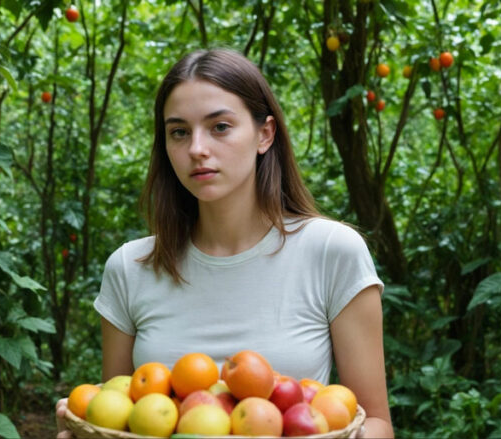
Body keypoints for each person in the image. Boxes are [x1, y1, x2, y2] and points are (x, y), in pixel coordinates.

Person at [56, 48, 394, 438]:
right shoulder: (131, 268)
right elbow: (118, 417)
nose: (197, 148)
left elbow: (377, 423)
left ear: (264, 134)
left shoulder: (332, 251)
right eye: (179, 132)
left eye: (219, 127)